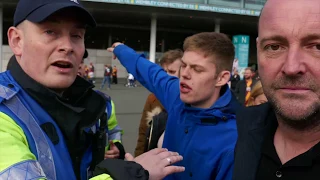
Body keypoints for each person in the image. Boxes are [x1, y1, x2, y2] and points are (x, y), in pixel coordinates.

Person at [0, 0, 184, 179]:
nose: (68, 47)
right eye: (50, 32)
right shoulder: (4, 112)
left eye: (76, 35)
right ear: (17, 41)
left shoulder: (95, 101)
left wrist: (117, 152)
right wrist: (131, 173)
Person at [108, 32, 239, 180]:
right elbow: (150, 72)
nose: (185, 74)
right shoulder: (176, 95)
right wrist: (121, 50)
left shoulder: (235, 141)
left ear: (222, 78)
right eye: (184, 65)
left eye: (197, 69)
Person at [233, 0, 320, 179]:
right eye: (274, 47)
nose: (291, 67)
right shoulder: (235, 130)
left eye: (317, 46)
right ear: (258, 50)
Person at [135, 49, 183, 157]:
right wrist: (138, 163)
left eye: (171, 72)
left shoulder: (191, 101)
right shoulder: (152, 98)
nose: (165, 76)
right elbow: (143, 134)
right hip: (154, 161)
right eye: (163, 71)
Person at [79, 51, 125, 160]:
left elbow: (114, 131)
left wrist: (117, 148)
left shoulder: (103, 102)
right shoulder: (37, 104)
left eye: (80, 61)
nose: (77, 64)